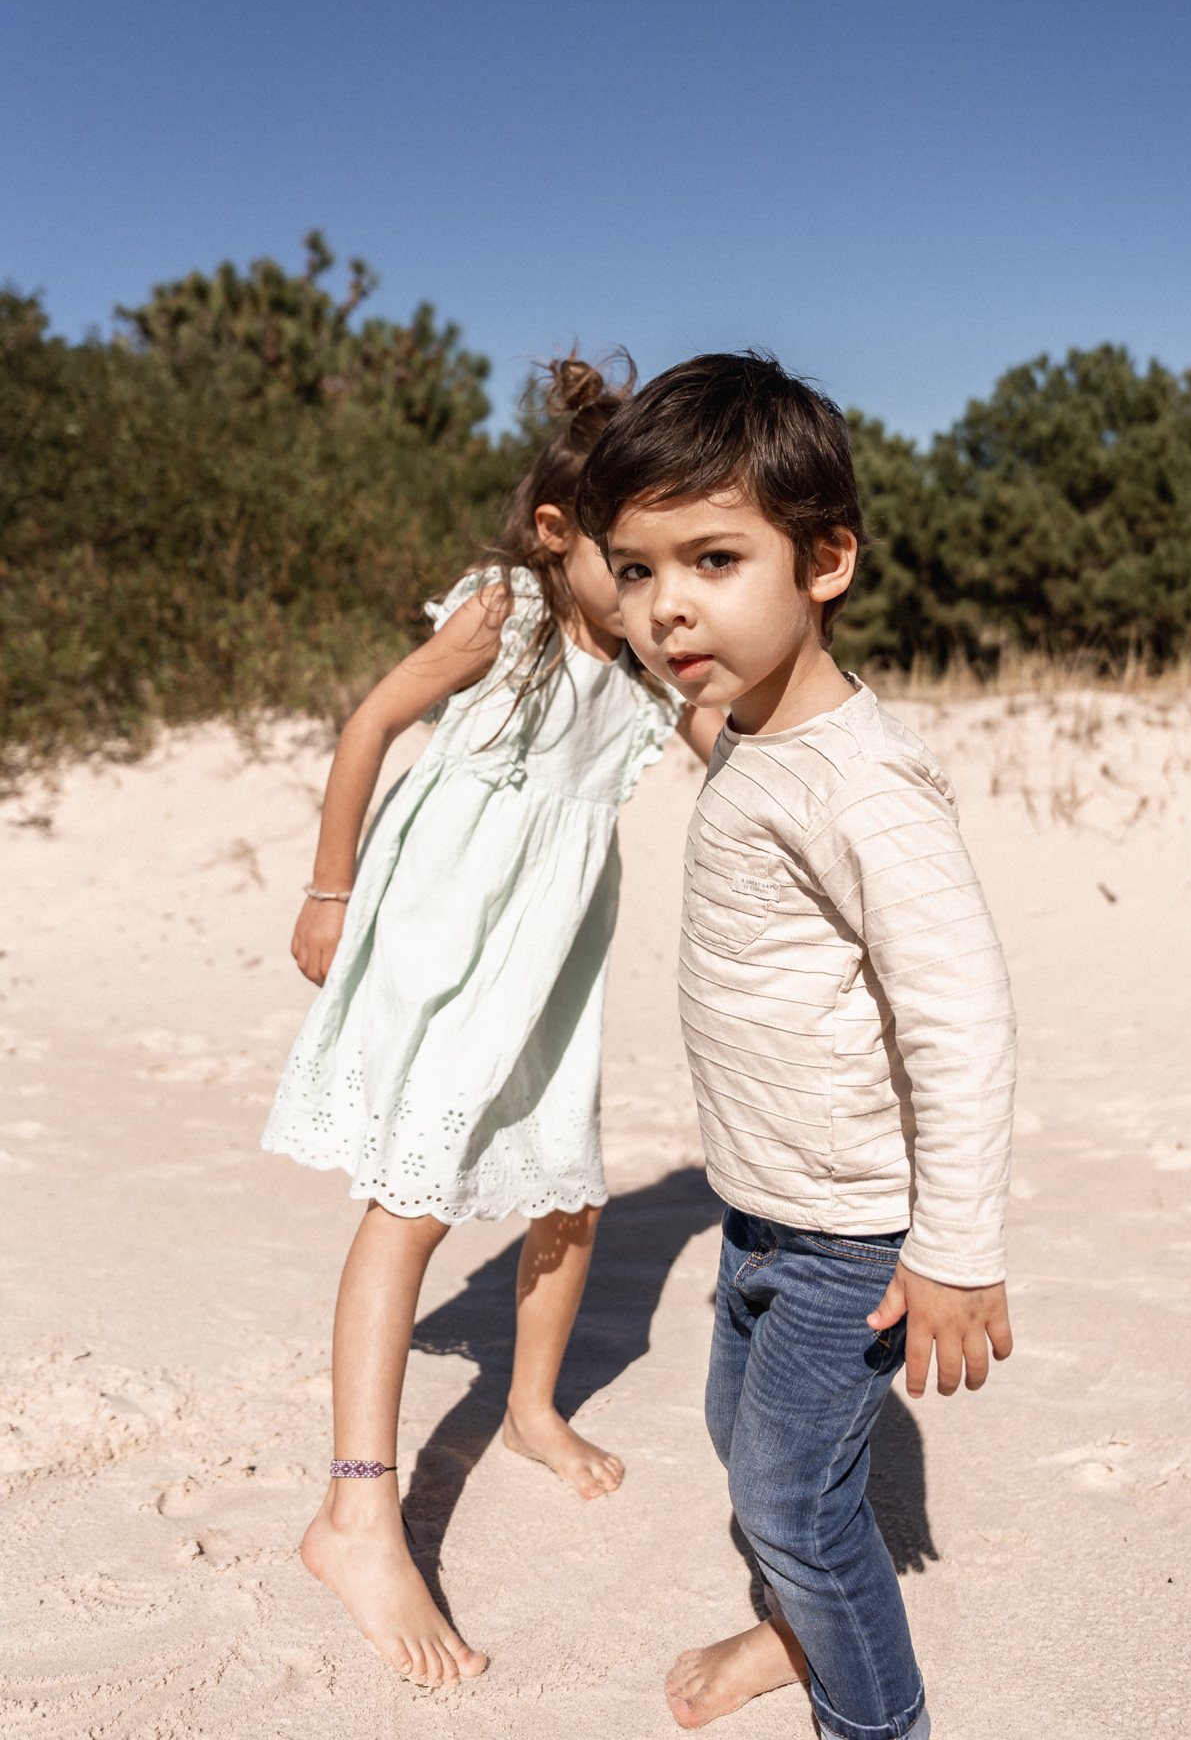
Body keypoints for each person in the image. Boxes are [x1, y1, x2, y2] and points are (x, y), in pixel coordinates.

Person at [262, 354, 723, 1690]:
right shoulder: (502, 619)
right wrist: (327, 889)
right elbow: (367, 728)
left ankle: (525, 1407)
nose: (650, 598)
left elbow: (732, 759)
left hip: (547, 963)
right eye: (628, 566)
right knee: (411, 1201)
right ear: (555, 534)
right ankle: (355, 1510)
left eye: (668, 570)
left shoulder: (645, 670)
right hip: (433, 945)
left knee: (565, 1189)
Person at [576, 353, 1016, 1740]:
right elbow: (697, 691)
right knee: (743, 1448)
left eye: (712, 558)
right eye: (637, 571)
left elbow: (960, 1018)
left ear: (824, 559)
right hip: (758, 1211)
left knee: (789, 1501)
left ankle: (872, 1720)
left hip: (850, 1242)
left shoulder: (865, 787)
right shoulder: (746, 726)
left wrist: (954, 1249)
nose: (666, 606)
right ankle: (791, 1627)